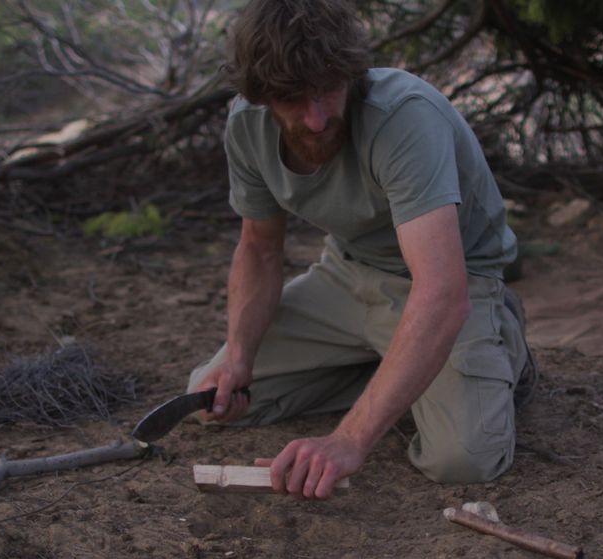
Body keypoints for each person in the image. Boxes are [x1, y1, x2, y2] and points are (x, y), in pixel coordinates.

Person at [187, 0, 536, 500]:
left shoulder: (402, 117)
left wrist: (347, 440)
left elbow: (441, 290)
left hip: (448, 284)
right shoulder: (247, 126)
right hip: (347, 274)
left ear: (350, 71)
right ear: (262, 94)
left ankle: (501, 345)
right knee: (211, 398)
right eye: (292, 98)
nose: (316, 118)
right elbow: (260, 250)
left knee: (462, 459)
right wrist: (240, 355)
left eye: (328, 89)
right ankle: (394, 367)